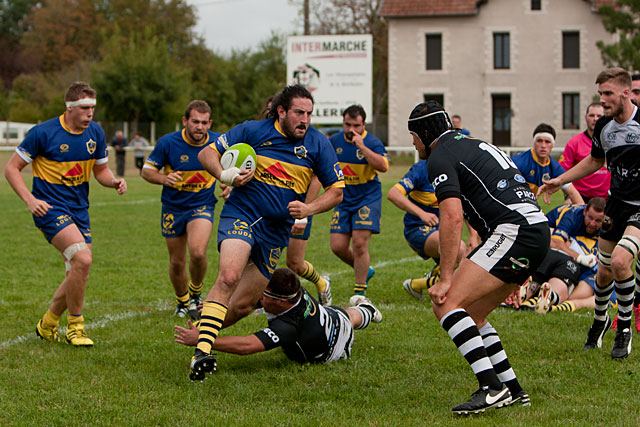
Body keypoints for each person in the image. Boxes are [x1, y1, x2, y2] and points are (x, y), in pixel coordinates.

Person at [189, 85, 344, 381]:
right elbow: (208, 153)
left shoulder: (318, 144)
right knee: (229, 276)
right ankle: (202, 353)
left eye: (309, 114)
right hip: (243, 215)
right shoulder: (252, 131)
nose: (305, 120)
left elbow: (337, 192)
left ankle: (200, 333)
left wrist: (309, 209)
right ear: (282, 111)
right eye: (299, 112)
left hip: (276, 232)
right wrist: (225, 175)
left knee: (245, 305)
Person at [409, 101, 550, 414]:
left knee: (445, 303)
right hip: (536, 229)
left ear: (426, 132)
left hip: (516, 231)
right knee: (473, 311)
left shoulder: (440, 156)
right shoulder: (475, 143)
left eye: (414, 136)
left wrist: (446, 277)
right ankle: (512, 388)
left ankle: (491, 388)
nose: (413, 143)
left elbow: (451, 217)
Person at [4, 81, 127, 346]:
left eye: (93, 108)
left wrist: (114, 181)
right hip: (49, 208)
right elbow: (11, 168)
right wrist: (29, 199)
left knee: (76, 270)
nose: (90, 114)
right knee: (82, 259)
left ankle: (47, 324)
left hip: (79, 210)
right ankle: (76, 326)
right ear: (69, 107)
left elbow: (100, 171)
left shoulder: (95, 133)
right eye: (84, 108)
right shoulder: (43, 133)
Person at [538, 68, 640, 358]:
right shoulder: (606, 127)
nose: (602, 100)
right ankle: (599, 320)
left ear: (625, 92)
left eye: (608, 93)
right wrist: (561, 179)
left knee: (621, 262)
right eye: (600, 94)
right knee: (604, 272)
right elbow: (595, 160)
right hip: (615, 204)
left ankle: (623, 329)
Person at [174, 268, 381, 365]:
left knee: (349, 319)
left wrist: (204, 340)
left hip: (333, 347)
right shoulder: (292, 292)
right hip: (326, 317)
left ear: (281, 302)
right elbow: (250, 302)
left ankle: (369, 311)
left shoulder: (288, 326)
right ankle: (368, 310)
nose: (260, 295)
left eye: (265, 293)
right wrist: (218, 307)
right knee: (343, 313)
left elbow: (247, 346)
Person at [142, 100, 222, 320]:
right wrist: (163, 178)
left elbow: (228, 167)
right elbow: (146, 172)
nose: (200, 127)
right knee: (177, 262)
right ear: (185, 121)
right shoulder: (168, 143)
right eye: (195, 121)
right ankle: (182, 300)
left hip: (202, 205)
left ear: (210, 123)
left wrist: (227, 184)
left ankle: (196, 293)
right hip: (173, 208)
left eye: (205, 122)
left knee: (197, 252)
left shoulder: (218, 142)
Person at [329, 105, 389, 297]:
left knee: (359, 243)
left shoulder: (373, 142)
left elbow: (383, 166)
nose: (351, 130)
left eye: (356, 125)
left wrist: (362, 146)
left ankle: (359, 291)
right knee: (337, 246)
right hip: (344, 199)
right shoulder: (335, 141)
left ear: (363, 124)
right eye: (347, 125)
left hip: (367, 198)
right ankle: (365, 269)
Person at [387, 160, 467, 300]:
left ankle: (418, 284)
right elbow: (393, 194)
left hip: (444, 229)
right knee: (459, 249)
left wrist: (474, 234)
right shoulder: (422, 169)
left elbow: (465, 204)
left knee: (466, 265)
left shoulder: (457, 169)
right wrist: (421, 213)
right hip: (418, 228)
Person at [519, 198, 608, 313]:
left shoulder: (606, 233)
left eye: (598, 221)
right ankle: (549, 297)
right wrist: (580, 257)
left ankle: (530, 294)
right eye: (590, 218)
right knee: (550, 238)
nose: (592, 224)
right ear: (584, 211)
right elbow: (555, 242)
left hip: (562, 259)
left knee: (552, 277)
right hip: (546, 248)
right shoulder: (572, 215)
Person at [285, 176, 332, 305]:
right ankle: (264, 299)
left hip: (298, 206)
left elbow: (317, 178)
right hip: (270, 203)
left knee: (295, 263)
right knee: (263, 252)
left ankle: (322, 283)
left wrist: (303, 214)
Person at [511, 123, 584, 205]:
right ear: (534, 143)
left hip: (528, 205)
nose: (543, 145)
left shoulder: (554, 167)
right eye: (539, 141)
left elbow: (572, 192)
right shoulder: (519, 162)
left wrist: (583, 212)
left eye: (547, 142)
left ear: (553, 145)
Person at [559, 103, 610, 203]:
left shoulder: (612, 141)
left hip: (607, 197)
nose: (595, 119)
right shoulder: (574, 142)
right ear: (585, 118)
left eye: (599, 116)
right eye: (591, 115)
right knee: (567, 208)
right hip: (580, 195)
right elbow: (561, 171)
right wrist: (570, 194)